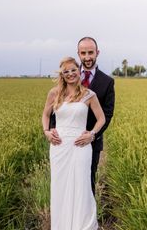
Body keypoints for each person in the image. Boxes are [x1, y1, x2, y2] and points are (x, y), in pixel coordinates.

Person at [37, 57, 118, 230]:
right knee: (61, 187)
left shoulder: (89, 95)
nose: (71, 74)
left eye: (74, 70)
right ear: (62, 75)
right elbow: (45, 115)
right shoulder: (54, 94)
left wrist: (92, 134)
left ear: (79, 71)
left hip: (81, 146)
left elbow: (101, 118)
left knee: (81, 186)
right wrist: (47, 132)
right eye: (66, 72)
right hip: (59, 147)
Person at [49, 37, 115, 194]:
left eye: (90, 52)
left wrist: (92, 135)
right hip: (63, 141)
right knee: (63, 183)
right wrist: (52, 130)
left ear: (97, 53)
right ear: (78, 54)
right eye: (83, 53)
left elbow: (107, 113)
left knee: (86, 185)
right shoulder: (69, 76)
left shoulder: (107, 82)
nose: (87, 57)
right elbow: (56, 108)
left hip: (91, 142)